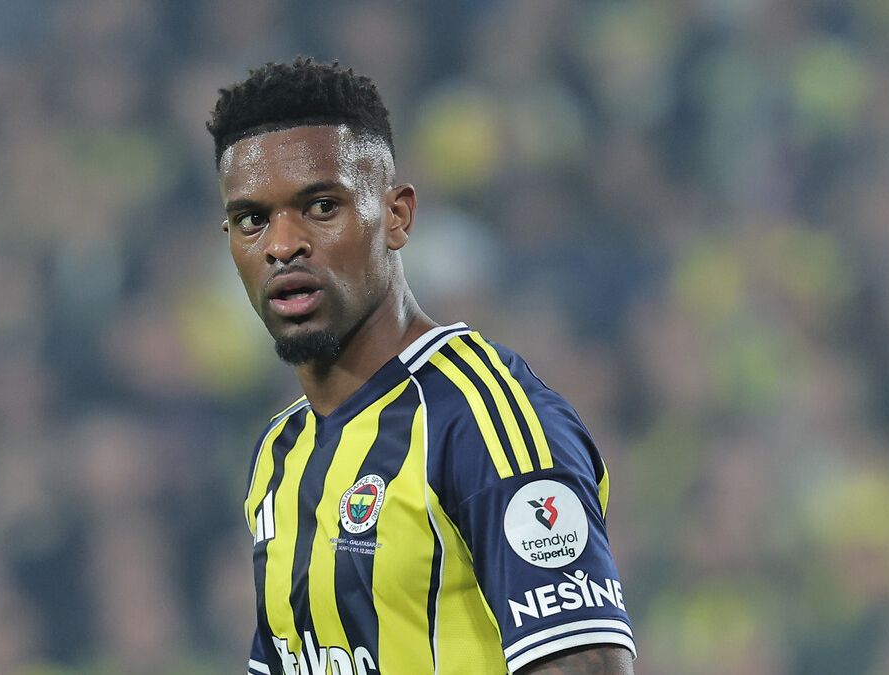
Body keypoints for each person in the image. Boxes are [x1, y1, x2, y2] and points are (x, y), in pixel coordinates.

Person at [207, 58, 636, 675]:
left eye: (321, 206)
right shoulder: (280, 453)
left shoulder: (482, 422)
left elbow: (588, 666)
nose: (282, 244)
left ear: (397, 216)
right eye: (253, 219)